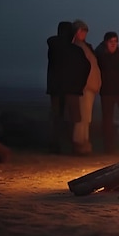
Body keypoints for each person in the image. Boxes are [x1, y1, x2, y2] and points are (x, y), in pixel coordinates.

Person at [71, 20, 101, 155]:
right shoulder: (76, 47)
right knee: (81, 116)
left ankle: (85, 141)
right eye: (81, 31)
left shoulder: (85, 46)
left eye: (85, 31)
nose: (83, 34)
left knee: (86, 117)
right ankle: (79, 143)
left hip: (90, 88)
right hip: (84, 87)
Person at [46, 21, 73, 153]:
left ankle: (57, 144)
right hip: (60, 87)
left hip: (57, 87)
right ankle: (55, 144)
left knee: (59, 116)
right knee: (58, 116)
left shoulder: (55, 45)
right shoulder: (62, 46)